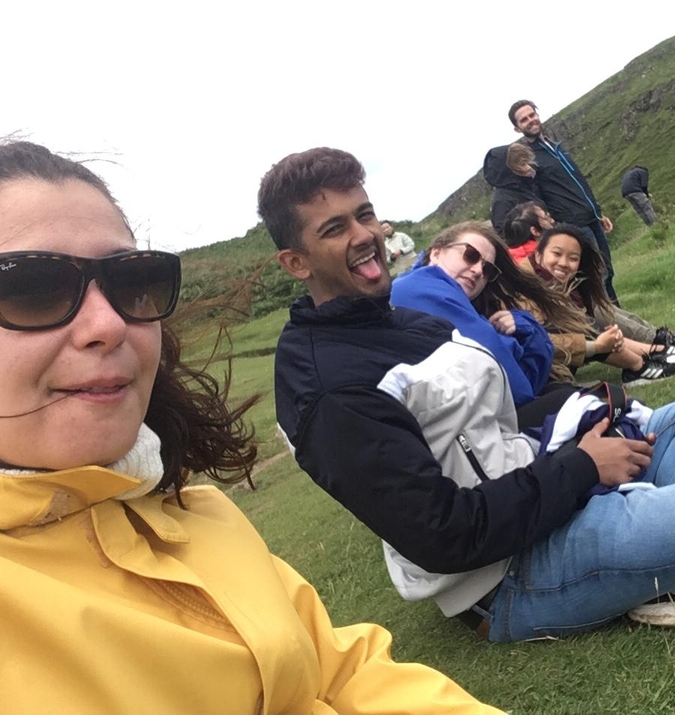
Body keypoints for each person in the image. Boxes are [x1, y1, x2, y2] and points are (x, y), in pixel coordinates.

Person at [0, 141, 503, 714]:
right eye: (31, 289)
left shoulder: (201, 515)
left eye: (130, 281)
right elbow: (438, 532)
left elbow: (342, 668)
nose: (108, 324)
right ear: (294, 261)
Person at [261, 146, 675, 644]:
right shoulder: (327, 387)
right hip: (506, 575)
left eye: (364, 215)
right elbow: (441, 534)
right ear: (296, 261)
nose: (362, 235)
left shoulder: (405, 322)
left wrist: (594, 414)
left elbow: (504, 416)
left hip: (544, 494)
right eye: (334, 228)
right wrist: (579, 469)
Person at [393, 221, 675, 388]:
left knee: (591, 314)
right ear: (436, 252)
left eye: (487, 268)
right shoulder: (421, 292)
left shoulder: (476, 291)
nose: (476, 270)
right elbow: (515, 370)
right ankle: (648, 357)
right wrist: (594, 348)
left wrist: (521, 324)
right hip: (529, 386)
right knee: (585, 326)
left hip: (531, 377)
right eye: (469, 256)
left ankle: (656, 349)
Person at [521, 219, 675, 367]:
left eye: (573, 258)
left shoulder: (545, 278)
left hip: (567, 348)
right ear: (539, 254)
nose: (563, 263)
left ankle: (657, 341)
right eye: (556, 254)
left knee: (597, 309)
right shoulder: (524, 287)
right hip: (553, 359)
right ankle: (653, 353)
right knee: (589, 322)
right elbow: (540, 336)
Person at [508, 99, 619, 303]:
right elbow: (535, 196)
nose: (530, 121)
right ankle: (609, 325)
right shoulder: (531, 158)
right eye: (524, 120)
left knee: (608, 270)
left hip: (590, 217)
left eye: (532, 115)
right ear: (517, 128)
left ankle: (621, 317)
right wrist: (554, 226)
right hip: (573, 224)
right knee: (596, 275)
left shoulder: (556, 148)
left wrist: (597, 212)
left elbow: (577, 183)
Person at [482, 143, 542, 237]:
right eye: (522, 164)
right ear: (509, 170)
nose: (529, 167)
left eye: (527, 162)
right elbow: (505, 235)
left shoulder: (526, 186)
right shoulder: (502, 201)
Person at [502, 199, 553, 264]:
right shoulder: (543, 260)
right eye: (547, 218)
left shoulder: (506, 259)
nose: (552, 221)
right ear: (535, 231)